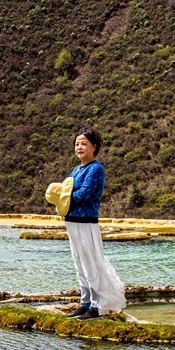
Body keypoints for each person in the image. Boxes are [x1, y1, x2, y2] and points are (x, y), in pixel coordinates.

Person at [61, 128, 126, 320]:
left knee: (92, 263)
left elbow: (84, 194)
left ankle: (98, 305)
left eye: (84, 144)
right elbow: (69, 191)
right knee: (79, 264)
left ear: (94, 147)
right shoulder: (77, 169)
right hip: (72, 221)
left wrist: (61, 197)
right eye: (77, 144)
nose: (79, 147)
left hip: (86, 222)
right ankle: (85, 302)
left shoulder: (96, 169)